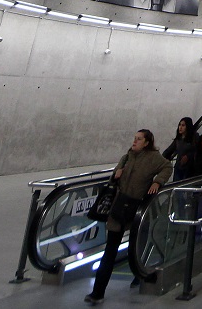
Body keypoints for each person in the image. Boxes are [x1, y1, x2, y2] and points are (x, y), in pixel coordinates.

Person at [85, 129, 172, 305]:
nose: (135, 142)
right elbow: (116, 176)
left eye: (139, 139)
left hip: (137, 209)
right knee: (110, 250)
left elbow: (168, 167)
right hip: (118, 208)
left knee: (136, 247)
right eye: (135, 138)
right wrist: (117, 171)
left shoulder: (154, 158)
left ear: (147, 143)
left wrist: (157, 182)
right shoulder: (128, 156)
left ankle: (140, 274)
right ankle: (98, 292)